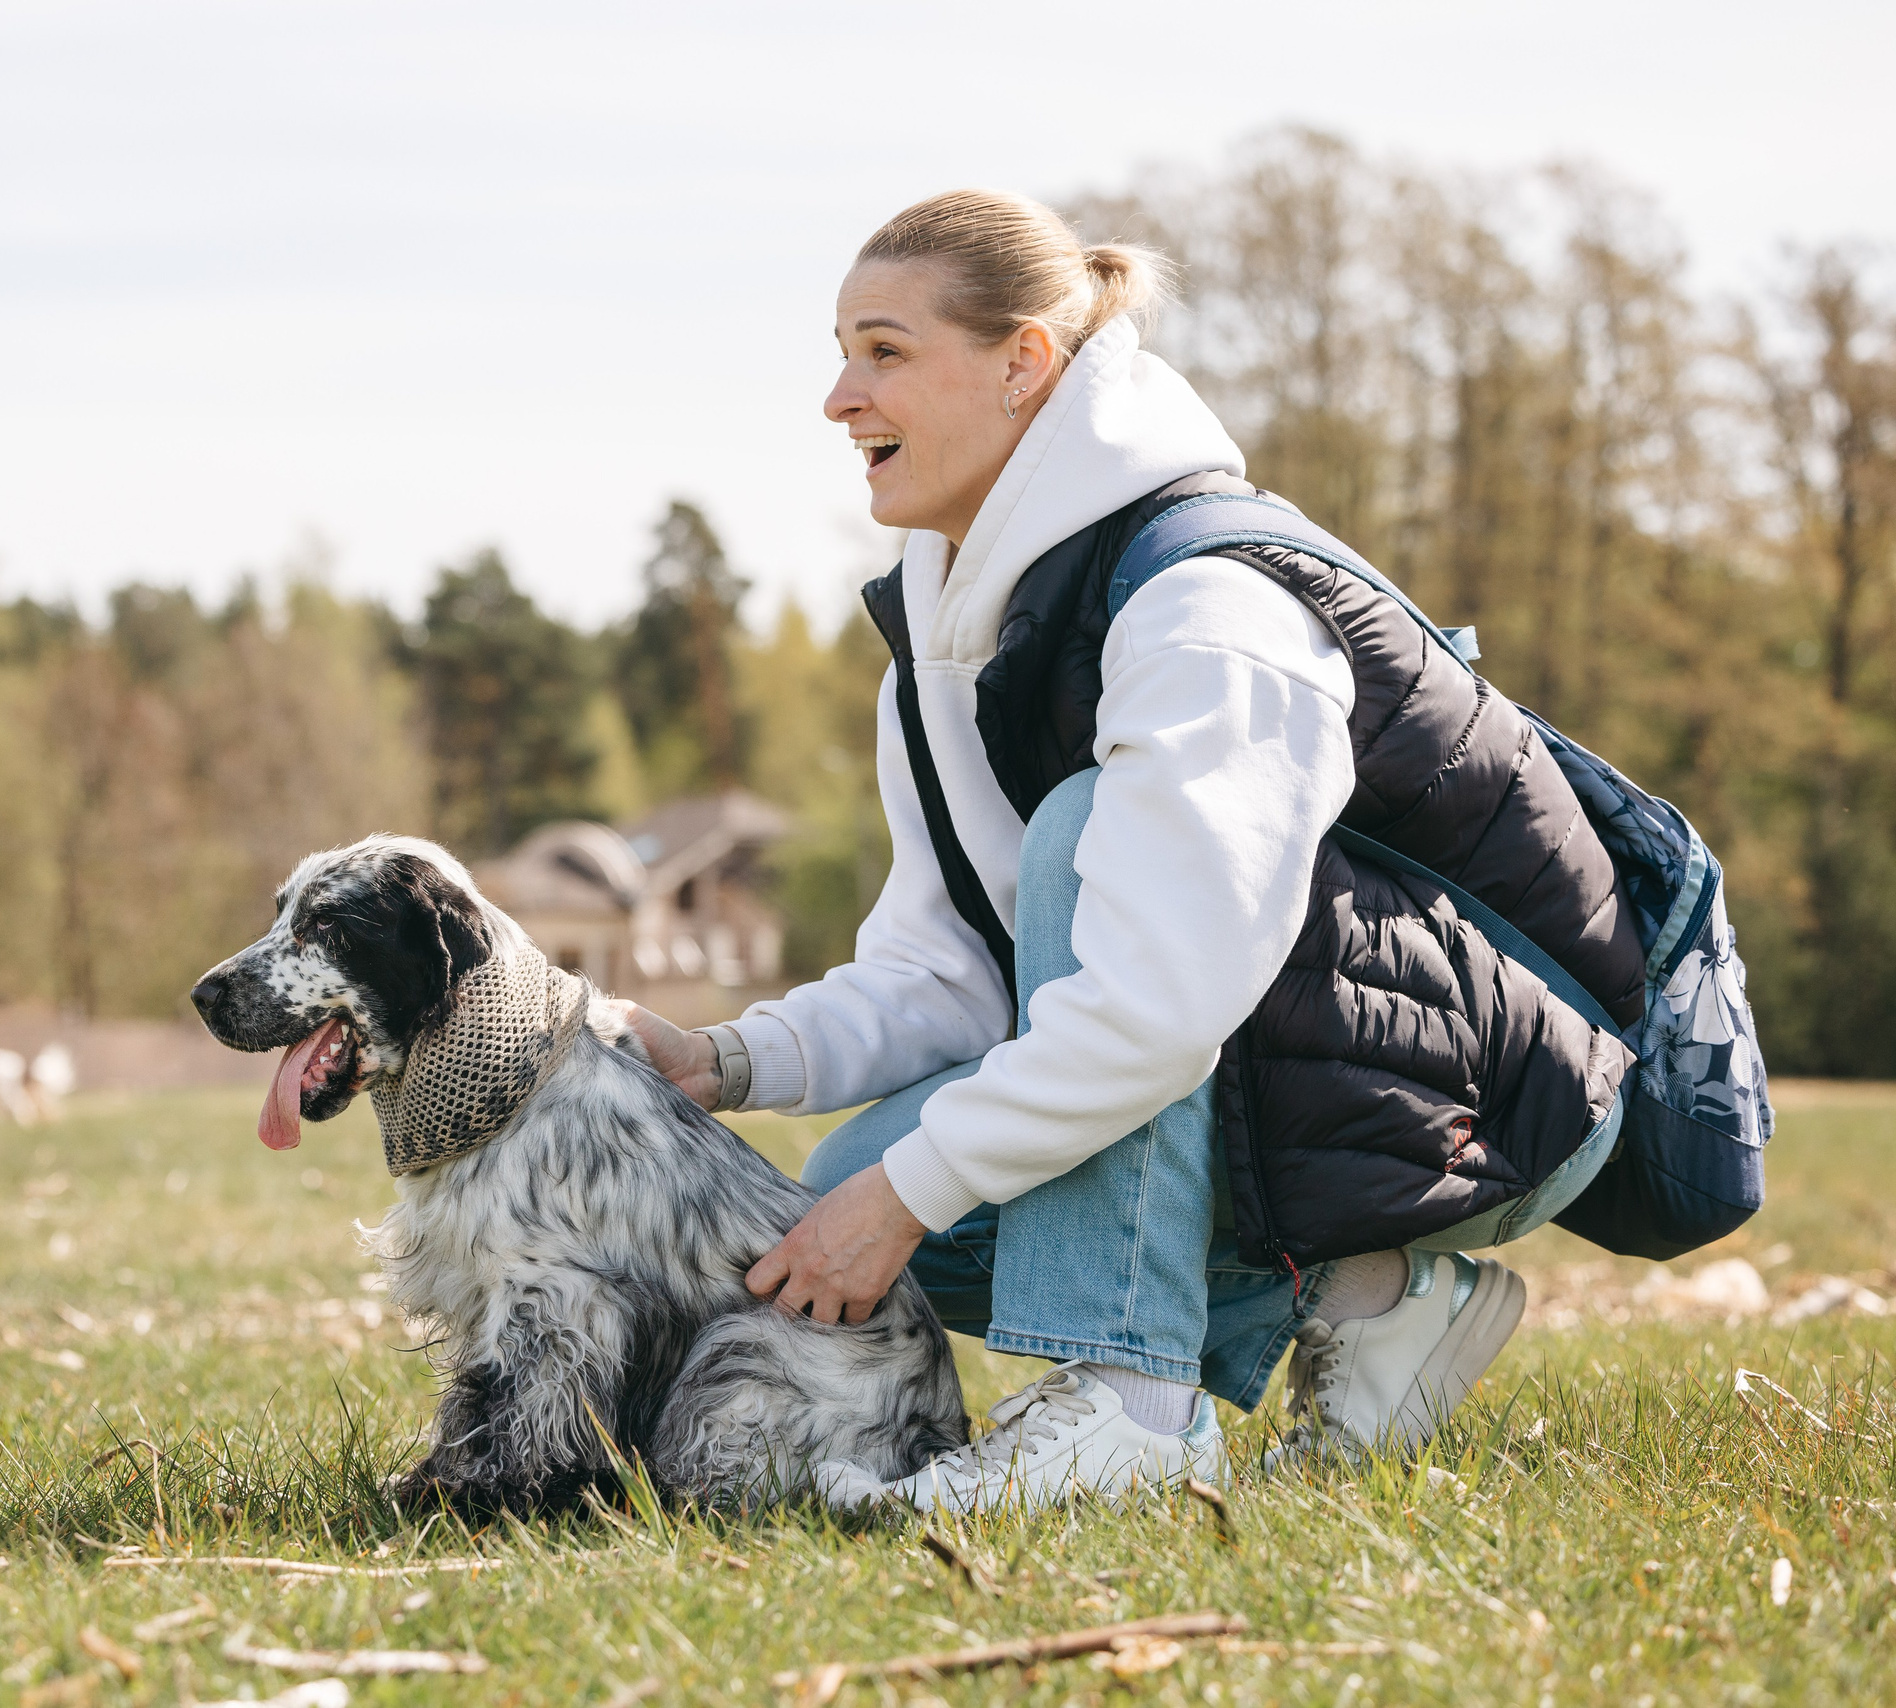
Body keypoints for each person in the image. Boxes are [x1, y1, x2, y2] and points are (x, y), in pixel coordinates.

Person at [620, 189, 1638, 1512]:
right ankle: (1370, 1299)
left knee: (1082, 845)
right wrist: (729, 1059)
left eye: (882, 351)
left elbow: (1158, 1013)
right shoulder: (939, 640)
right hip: (1300, 1074)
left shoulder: (1206, 606)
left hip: (1504, 1093)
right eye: (840, 350)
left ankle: (1132, 1412)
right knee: (836, 1195)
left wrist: (910, 1194)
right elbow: (952, 975)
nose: (837, 397)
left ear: (1022, 362)